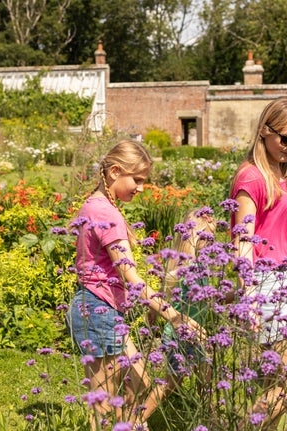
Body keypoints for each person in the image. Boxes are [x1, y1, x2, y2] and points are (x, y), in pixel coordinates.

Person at [65, 140, 204, 430]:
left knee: (139, 384)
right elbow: (133, 280)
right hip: (97, 309)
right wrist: (175, 316)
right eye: (137, 179)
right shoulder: (106, 214)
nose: (141, 187)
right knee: (102, 403)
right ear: (115, 171)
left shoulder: (95, 204)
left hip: (102, 309)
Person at [229, 97, 287, 429]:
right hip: (266, 285)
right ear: (264, 130)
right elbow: (242, 242)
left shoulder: (283, 175)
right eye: (286, 139)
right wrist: (248, 296)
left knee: (271, 381)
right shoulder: (252, 178)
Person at [139, 207, 217, 422]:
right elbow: (162, 296)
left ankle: (208, 419)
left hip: (196, 332)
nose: (209, 245)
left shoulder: (200, 267)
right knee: (172, 382)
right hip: (178, 335)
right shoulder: (185, 269)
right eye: (205, 240)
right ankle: (138, 419)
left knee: (206, 378)